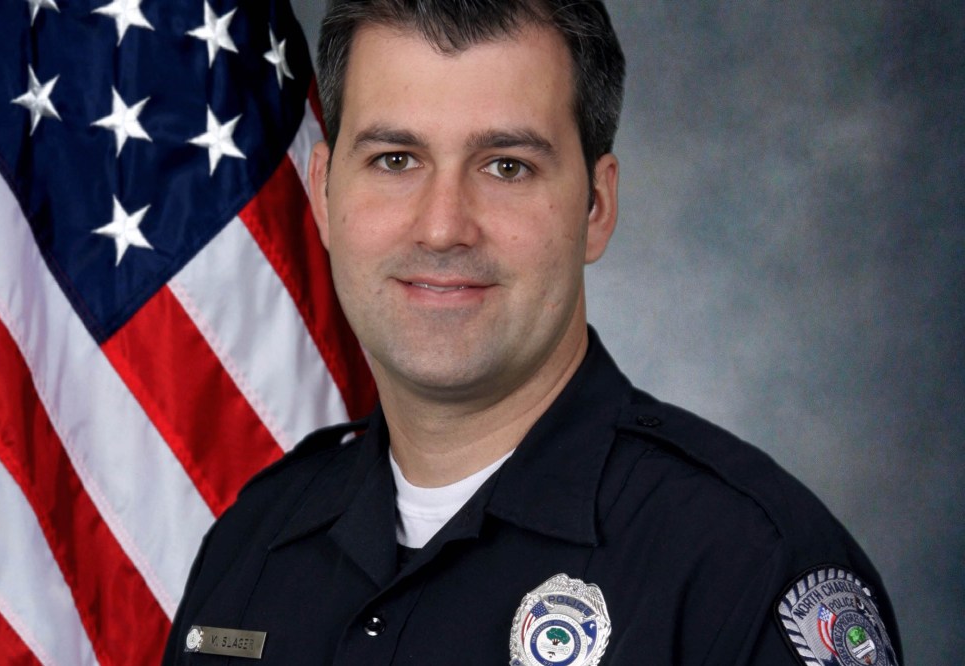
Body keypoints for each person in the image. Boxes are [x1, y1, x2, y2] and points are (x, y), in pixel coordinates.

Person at [163, 1, 902, 664]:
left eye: (506, 166)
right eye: (395, 160)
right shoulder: (251, 543)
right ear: (323, 193)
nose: (443, 225)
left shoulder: (745, 569)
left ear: (596, 208)